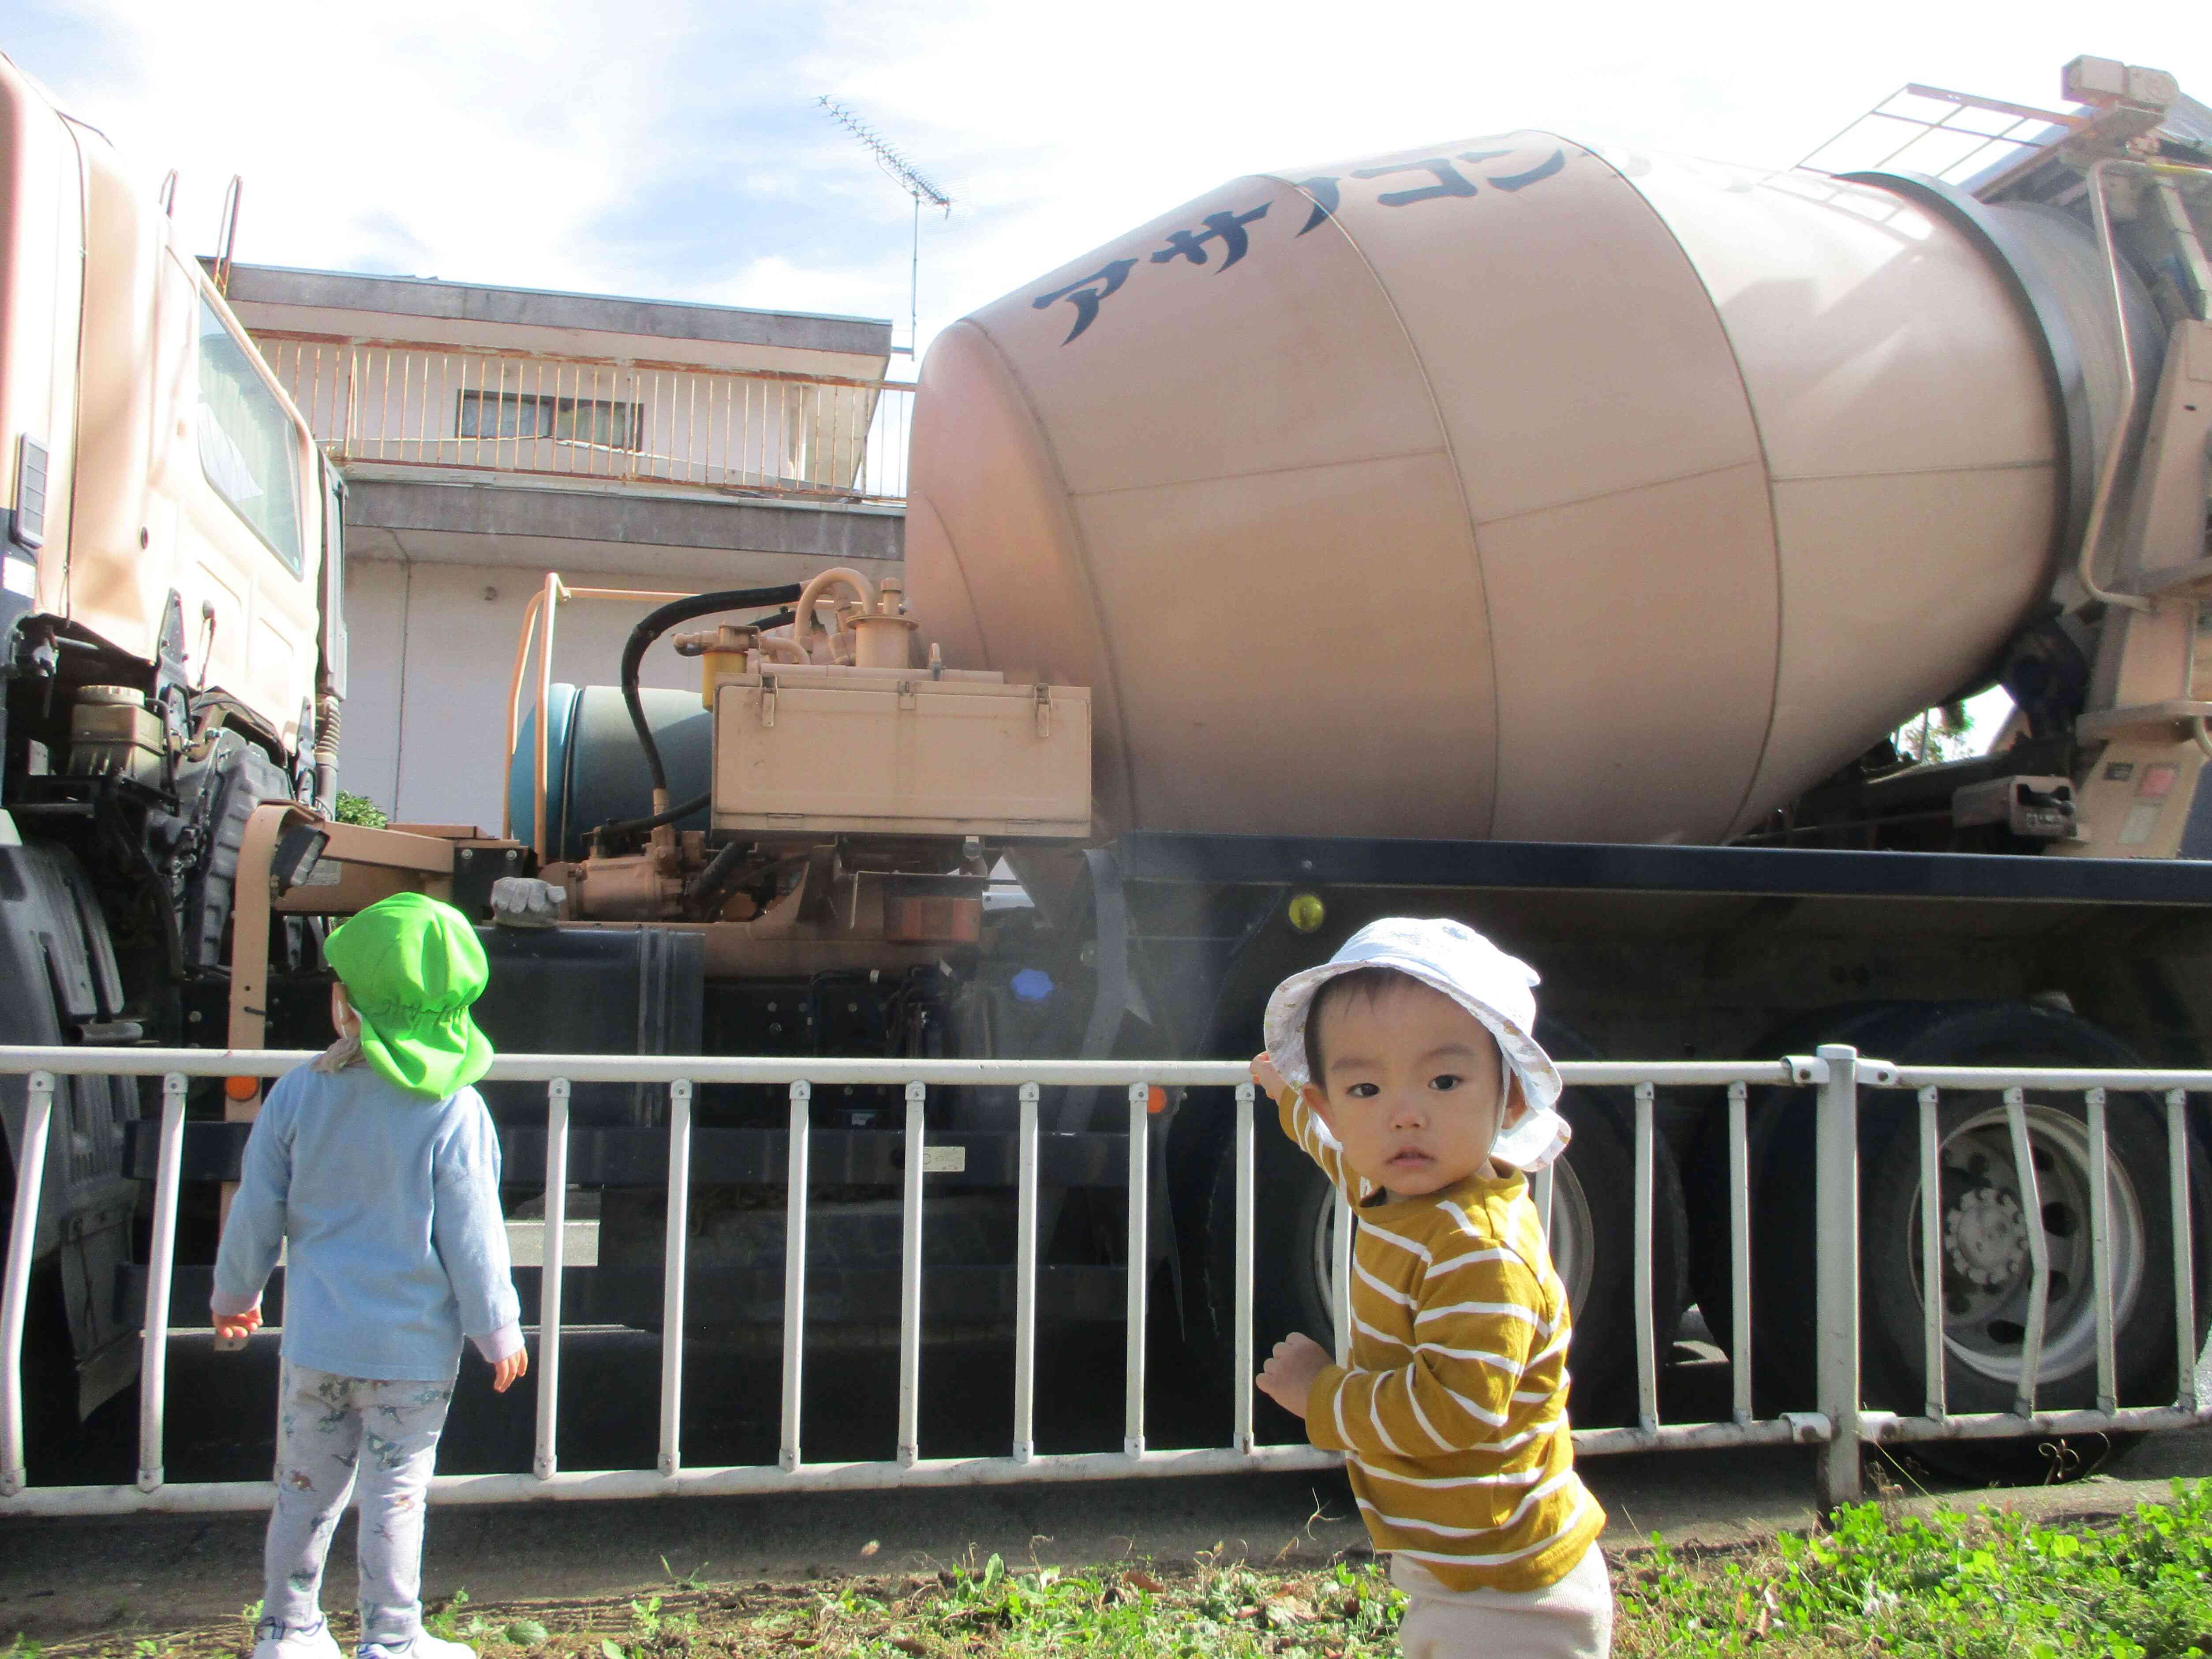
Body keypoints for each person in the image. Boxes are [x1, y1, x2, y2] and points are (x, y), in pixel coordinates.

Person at [1250, 917, 1611, 1659]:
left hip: (1512, 1588)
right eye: (1366, 1086)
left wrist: (1322, 1393)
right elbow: (1332, 1143)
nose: (1404, 1111)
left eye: (1445, 1080)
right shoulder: (1390, 1187)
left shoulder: (1477, 1250)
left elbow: (1457, 1410)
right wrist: (1287, 1096)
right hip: (1459, 1565)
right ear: (1332, 1104)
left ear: (1510, 1100)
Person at [212, 891, 525, 1659]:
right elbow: (474, 1236)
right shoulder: (453, 1109)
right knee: (395, 1495)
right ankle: (391, 1636)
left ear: (346, 1005)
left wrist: (235, 1296)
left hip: (316, 1344)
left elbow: (258, 1209)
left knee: (304, 1490)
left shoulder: (299, 1092)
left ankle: (287, 1630)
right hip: (411, 1354)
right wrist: (498, 1328)